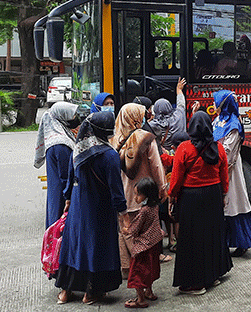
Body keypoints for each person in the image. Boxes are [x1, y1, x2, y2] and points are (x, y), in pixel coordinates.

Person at [55, 112, 127, 305]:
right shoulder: (109, 155)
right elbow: (116, 189)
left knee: (74, 246)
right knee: (97, 247)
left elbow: (70, 180)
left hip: (78, 208)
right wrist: (123, 213)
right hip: (100, 210)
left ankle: (66, 291)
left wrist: (68, 201)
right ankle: (91, 293)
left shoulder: (78, 150)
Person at [169, 111, 232, 294]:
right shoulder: (218, 148)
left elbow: (177, 178)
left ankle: (196, 284)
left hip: (191, 198)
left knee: (192, 240)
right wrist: (223, 195)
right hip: (213, 195)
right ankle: (212, 276)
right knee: (212, 235)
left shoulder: (184, 148)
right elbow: (224, 176)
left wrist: (172, 196)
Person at [112, 103, 168, 278]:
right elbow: (156, 165)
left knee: (124, 231)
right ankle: (142, 268)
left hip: (123, 194)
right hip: (144, 193)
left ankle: (126, 267)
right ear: (136, 117)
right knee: (146, 233)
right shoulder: (145, 138)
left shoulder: (114, 138)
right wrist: (162, 187)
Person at [212, 90, 251, 258]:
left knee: (235, 204)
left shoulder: (234, 125)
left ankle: (242, 243)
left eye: (217, 103)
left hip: (230, 170)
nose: (214, 106)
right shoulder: (218, 120)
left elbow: (228, 153)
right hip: (219, 168)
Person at [34, 102, 82, 228]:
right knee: (59, 227)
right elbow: (65, 176)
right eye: (71, 115)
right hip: (61, 195)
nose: (74, 118)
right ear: (62, 117)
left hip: (56, 192)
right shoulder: (61, 144)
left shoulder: (54, 138)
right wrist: (69, 196)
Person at [121, 177, 164, 309]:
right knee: (149, 270)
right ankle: (149, 292)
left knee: (137, 273)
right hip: (153, 244)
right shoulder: (155, 207)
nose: (135, 198)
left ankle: (140, 299)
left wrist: (126, 229)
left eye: (138, 194)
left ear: (147, 195)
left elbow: (135, 228)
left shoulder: (144, 211)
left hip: (142, 247)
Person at [149, 78, 187, 152]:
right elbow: (181, 104)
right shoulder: (179, 116)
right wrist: (179, 89)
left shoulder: (152, 125)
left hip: (164, 155)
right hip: (178, 152)